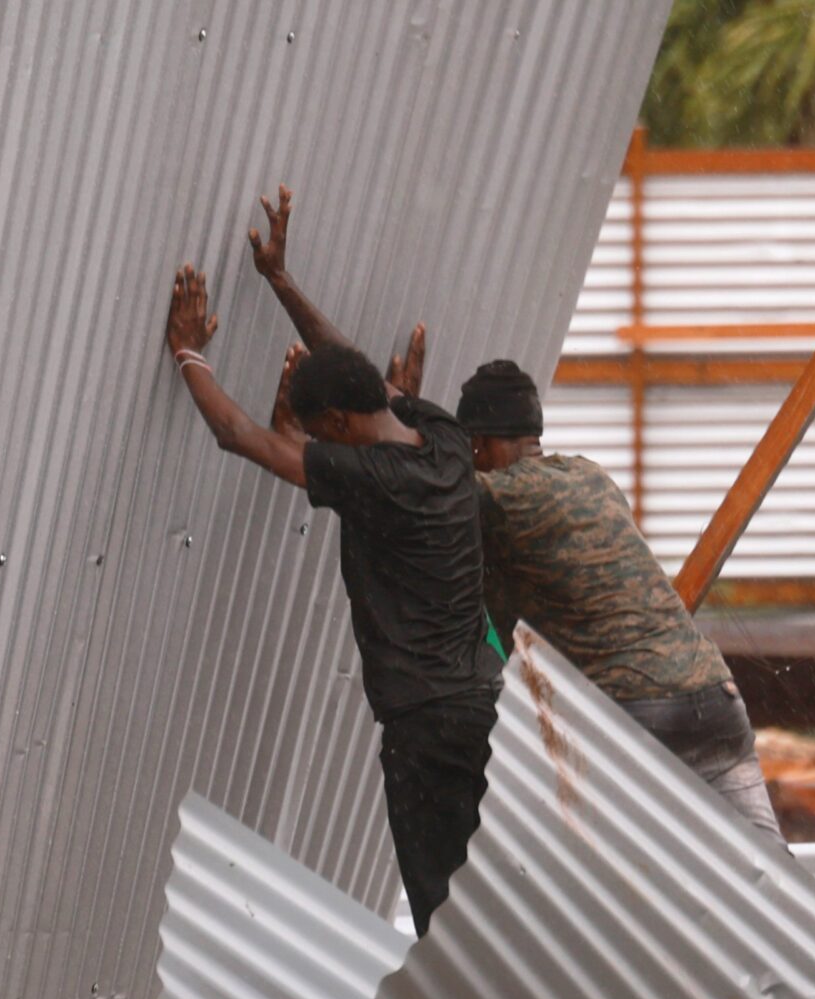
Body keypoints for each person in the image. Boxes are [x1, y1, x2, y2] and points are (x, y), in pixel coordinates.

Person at [245, 188, 784, 842]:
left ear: (478, 445)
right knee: (770, 885)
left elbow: (359, 395)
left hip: (637, 714)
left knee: (596, 890)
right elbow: (371, 397)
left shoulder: (489, 497)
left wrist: (282, 287)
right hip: (714, 701)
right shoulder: (591, 478)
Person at [160, 261, 499, 936]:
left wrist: (187, 350)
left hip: (426, 728)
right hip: (486, 707)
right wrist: (280, 281)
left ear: (340, 425)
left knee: (444, 917)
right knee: (492, 900)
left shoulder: (370, 477)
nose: (310, 444)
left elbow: (240, 437)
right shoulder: (443, 438)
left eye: (317, 432)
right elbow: (364, 376)